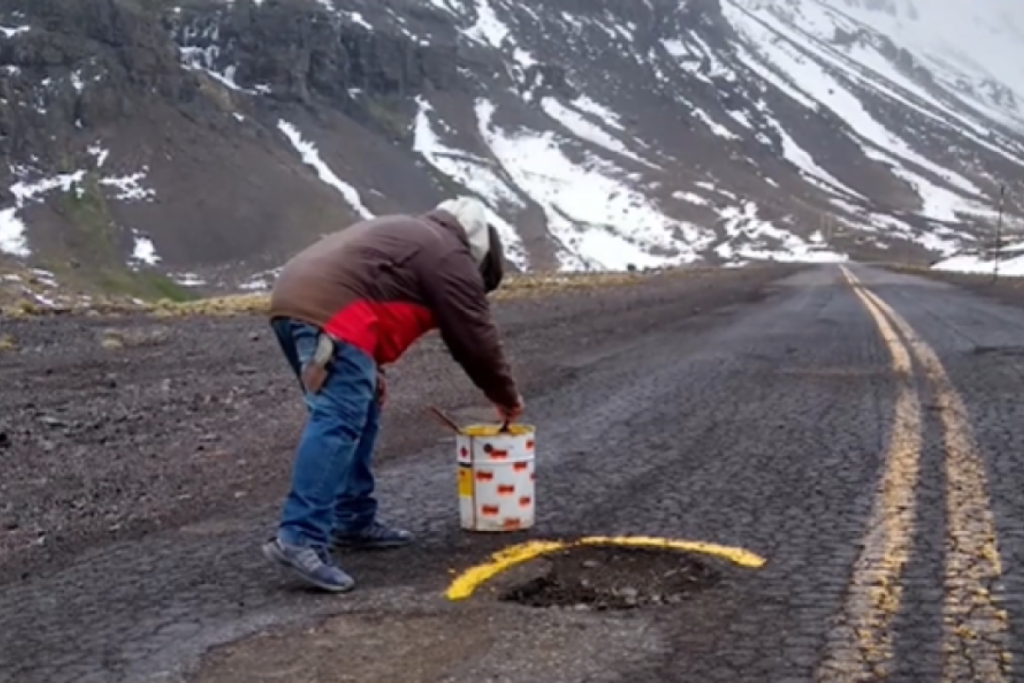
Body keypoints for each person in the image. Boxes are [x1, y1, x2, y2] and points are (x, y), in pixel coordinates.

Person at [262, 196, 524, 592]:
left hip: (297, 302)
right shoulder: (449, 255)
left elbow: (367, 282)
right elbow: (475, 338)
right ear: (479, 257)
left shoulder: (415, 235)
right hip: (332, 314)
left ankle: (352, 520)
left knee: (359, 408)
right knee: (338, 419)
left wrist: (370, 366)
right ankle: (300, 537)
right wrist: (504, 395)